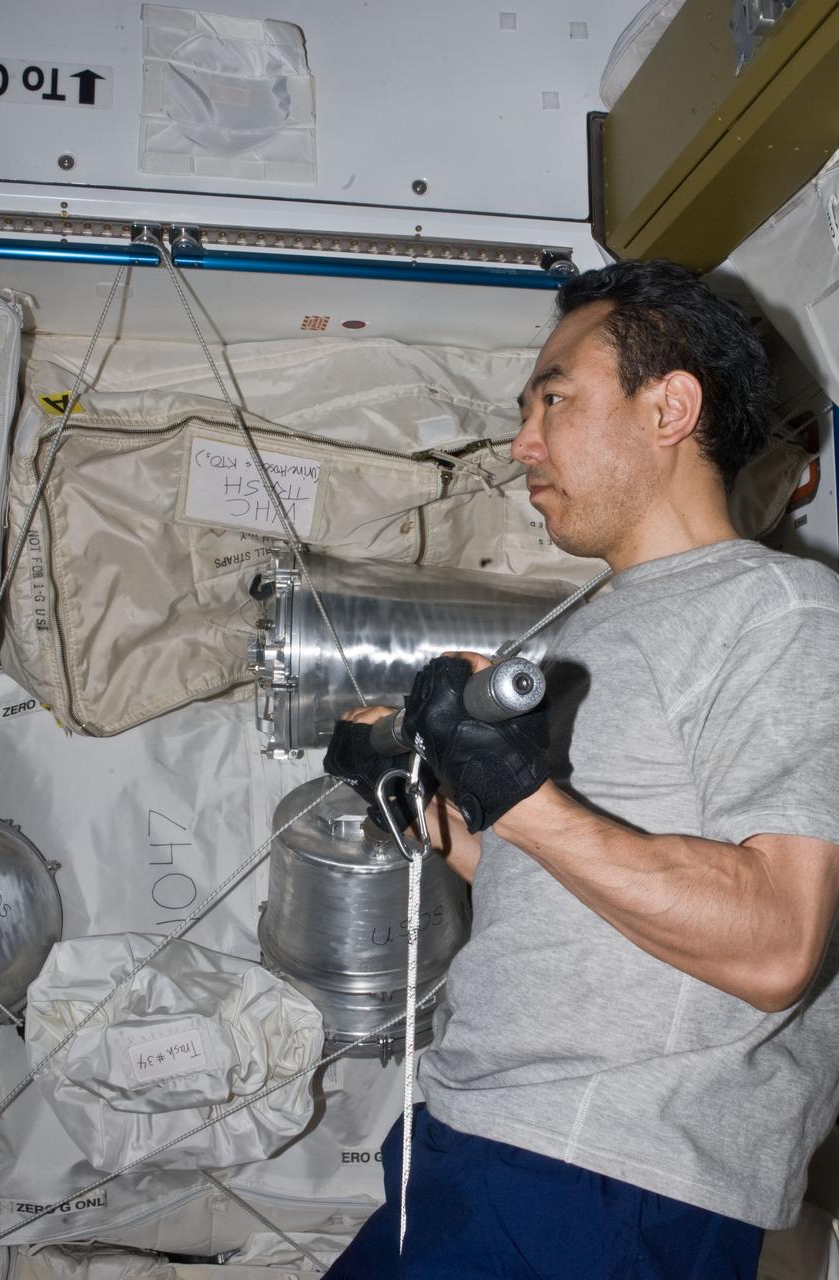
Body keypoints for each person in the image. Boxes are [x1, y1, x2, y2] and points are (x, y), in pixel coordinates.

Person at [322, 259, 839, 1279]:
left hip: (610, 1173)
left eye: (553, 399)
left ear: (670, 407)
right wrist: (423, 803)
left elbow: (778, 937)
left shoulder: (782, 613)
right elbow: (558, 878)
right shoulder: (589, 624)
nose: (522, 442)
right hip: (478, 1130)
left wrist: (521, 794)